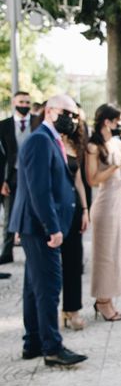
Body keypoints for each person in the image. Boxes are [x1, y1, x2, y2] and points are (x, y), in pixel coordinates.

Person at [9, 94, 87, 366]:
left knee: (34, 287)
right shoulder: (40, 140)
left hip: (39, 225)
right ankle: (52, 348)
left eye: (75, 115)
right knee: (49, 287)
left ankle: (33, 343)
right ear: (50, 111)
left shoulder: (50, 139)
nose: (73, 119)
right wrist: (52, 228)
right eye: (68, 113)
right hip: (41, 227)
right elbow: (38, 190)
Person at [86, 104, 121, 321]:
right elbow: (92, 179)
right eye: (116, 120)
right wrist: (115, 167)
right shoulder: (93, 146)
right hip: (104, 202)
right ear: (106, 121)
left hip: (120, 200)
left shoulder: (116, 142)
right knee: (104, 255)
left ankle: (109, 298)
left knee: (116, 253)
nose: (119, 124)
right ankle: (102, 301)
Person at [0, 91, 41, 268]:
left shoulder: (37, 123)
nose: (24, 105)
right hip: (12, 175)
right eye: (21, 101)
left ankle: (32, 250)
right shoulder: (4, 125)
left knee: (35, 212)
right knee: (10, 215)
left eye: (27, 102)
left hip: (34, 175)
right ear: (14, 103)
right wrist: (2, 180)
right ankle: (7, 251)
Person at [60, 115, 90, 330]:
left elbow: (79, 180)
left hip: (74, 210)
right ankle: (57, 312)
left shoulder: (73, 144)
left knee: (73, 262)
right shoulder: (45, 142)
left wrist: (85, 209)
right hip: (54, 211)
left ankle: (73, 309)